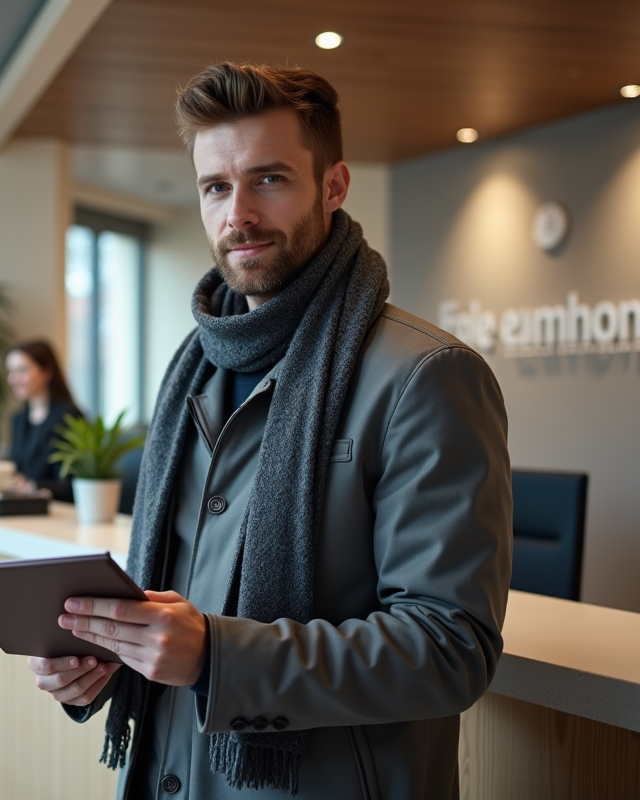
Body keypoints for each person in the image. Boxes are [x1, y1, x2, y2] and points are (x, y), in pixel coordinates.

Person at [26, 63, 512, 799]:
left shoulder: (428, 375)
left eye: (270, 180)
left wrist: (219, 657)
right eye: (216, 187)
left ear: (334, 186)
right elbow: (174, 605)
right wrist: (100, 660)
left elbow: (450, 650)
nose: (238, 214)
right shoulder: (191, 370)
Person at [5, 339, 82, 502]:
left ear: (46, 372)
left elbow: (73, 484)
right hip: (24, 508)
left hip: (58, 512)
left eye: (21, 370)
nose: (13, 379)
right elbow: (14, 469)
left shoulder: (69, 417)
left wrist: (33, 486)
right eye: (11, 372)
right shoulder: (19, 419)